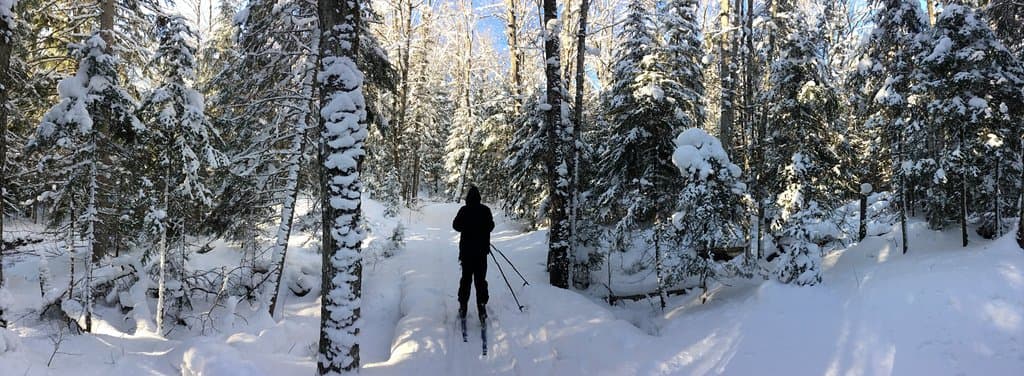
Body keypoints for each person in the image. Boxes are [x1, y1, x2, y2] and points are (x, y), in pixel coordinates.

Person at [452, 185, 495, 321]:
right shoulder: (485, 210)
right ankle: (481, 307)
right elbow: (491, 226)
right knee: (480, 280)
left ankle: (463, 306)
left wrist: (468, 226)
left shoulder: (464, 210)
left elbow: (456, 226)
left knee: (466, 279)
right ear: (479, 198)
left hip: (466, 252)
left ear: (467, 198)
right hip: (481, 252)